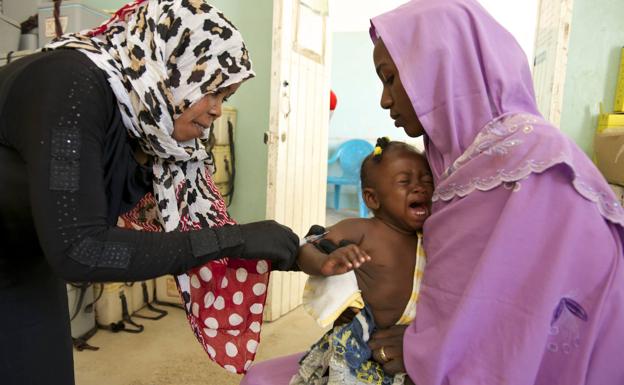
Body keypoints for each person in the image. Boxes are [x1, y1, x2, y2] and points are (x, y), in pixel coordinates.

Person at [242, 0, 624, 384]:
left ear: (442, 69)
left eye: (390, 78)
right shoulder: (450, 161)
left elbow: (528, 316)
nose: (385, 100)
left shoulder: (534, 165)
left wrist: (430, 348)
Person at [0, 1, 299, 384]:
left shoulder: (143, 123)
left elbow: (193, 222)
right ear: (171, 65)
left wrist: (293, 251)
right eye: (213, 93)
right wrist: (236, 241)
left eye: (225, 99)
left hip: (26, 253)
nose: (217, 112)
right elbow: (82, 249)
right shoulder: (70, 87)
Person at [291, 138, 432, 385]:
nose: (419, 188)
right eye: (404, 182)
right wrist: (325, 262)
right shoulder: (362, 230)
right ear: (372, 199)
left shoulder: (431, 236)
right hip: (360, 341)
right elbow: (306, 247)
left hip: (406, 343)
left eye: (426, 180)